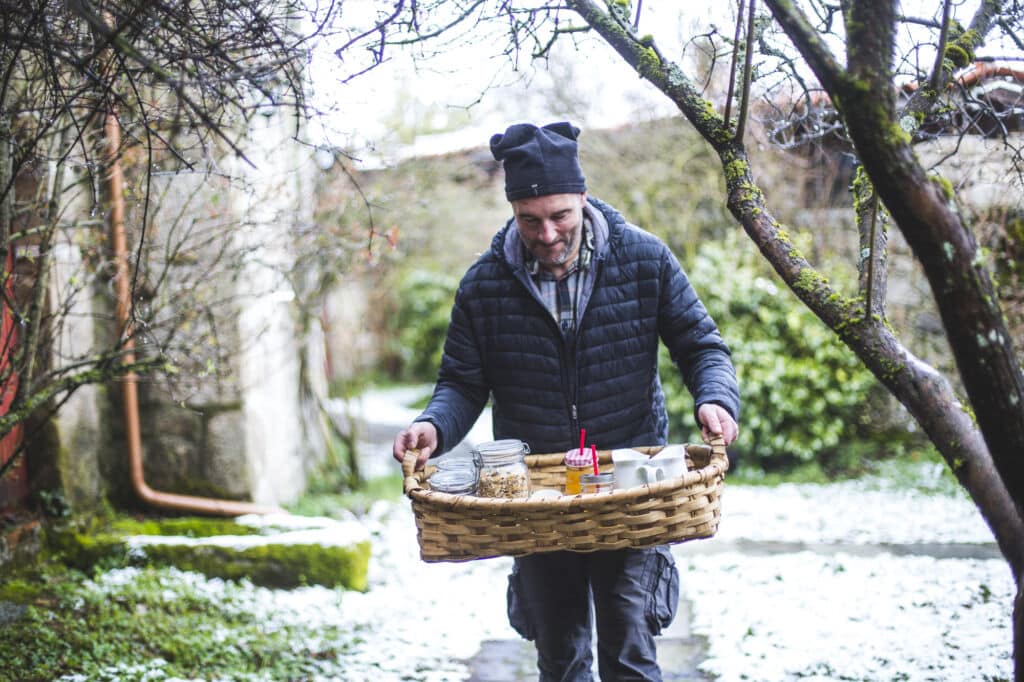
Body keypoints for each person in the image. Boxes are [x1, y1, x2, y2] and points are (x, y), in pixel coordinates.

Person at [392, 121, 739, 682]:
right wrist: (433, 425)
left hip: (630, 486)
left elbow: (702, 346)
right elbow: (462, 383)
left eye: (560, 216)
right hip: (536, 497)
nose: (548, 233)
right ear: (512, 210)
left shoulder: (645, 259)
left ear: (582, 196)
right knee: (561, 659)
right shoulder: (483, 285)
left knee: (630, 653)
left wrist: (715, 398)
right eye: (530, 220)